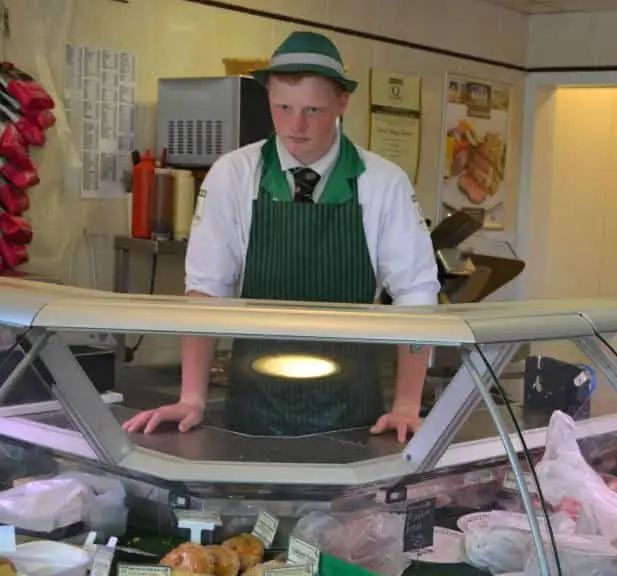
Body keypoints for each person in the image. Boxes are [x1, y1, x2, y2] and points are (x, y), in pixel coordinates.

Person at [123, 31, 438, 442]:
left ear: (343, 102)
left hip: (355, 416)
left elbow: (415, 297)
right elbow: (205, 292)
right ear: (268, 98)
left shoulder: (383, 182)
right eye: (283, 107)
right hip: (253, 413)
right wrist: (192, 397)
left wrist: (407, 406)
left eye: (313, 109)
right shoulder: (233, 176)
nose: (296, 125)